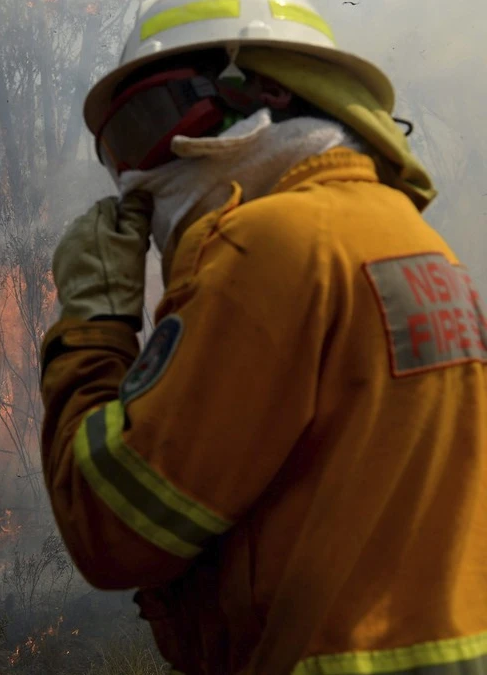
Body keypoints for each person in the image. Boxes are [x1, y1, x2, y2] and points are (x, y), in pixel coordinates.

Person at [41, 1, 487, 673]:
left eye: (153, 120)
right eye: (121, 146)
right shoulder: (416, 239)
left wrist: (94, 322)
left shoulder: (267, 246)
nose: (139, 171)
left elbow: (113, 527)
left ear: (265, 91)